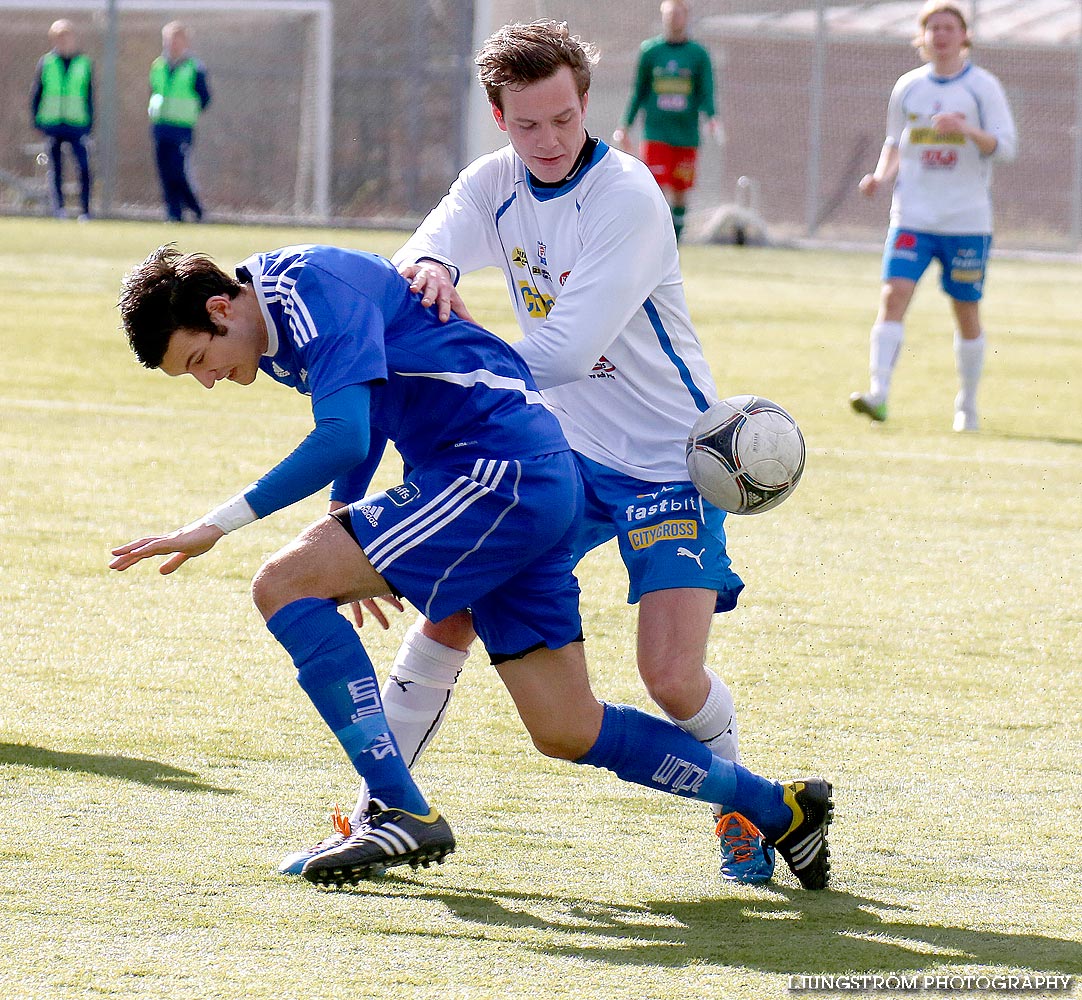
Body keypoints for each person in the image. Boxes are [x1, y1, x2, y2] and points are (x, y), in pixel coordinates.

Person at [108, 243, 834, 892]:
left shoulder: (310, 286)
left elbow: (341, 433)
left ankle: (396, 808)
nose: (207, 380)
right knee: (566, 727)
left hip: (494, 473)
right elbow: (359, 415)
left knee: (281, 583)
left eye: (199, 360)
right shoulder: (275, 326)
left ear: (219, 307)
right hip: (529, 478)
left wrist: (214, 525)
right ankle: (780, 808)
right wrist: (343, 519)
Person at [316, 19, 777, 888]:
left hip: (670, 461)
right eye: (528, 125)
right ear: (499, 118)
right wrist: (433, 272)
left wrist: (453, 357)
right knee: (447, 607)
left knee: (672, 678)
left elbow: (563, 350)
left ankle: (747, 811)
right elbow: (413, 260)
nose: (550, 140)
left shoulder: (628, 197)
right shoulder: (494, 183)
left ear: (586, 104)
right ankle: (384, 808)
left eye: (564, 119)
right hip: (562, 457)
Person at [850, 0, 1016, 432]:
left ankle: (967, 404)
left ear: (964, 37)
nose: (940, 35)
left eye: (949, 27)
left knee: (966, 311)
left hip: (966, 221)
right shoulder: (908, 86)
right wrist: (879, 177)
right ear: (922, 38)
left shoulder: (982, 87)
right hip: (912, 217)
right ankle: (878, 394)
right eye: (933, 28)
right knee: (893, 295)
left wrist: (966, 130)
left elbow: (1006, 147)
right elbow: (894, 142)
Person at [612, 0, 720, 242]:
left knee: (681, 191)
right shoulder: (650, 51)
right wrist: (624, 124)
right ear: (663, 17)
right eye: (670, 14)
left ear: (687, 16)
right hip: (656, 133)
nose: (674, 19)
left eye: (679, 14)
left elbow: (706, 91)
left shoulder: (698, 54)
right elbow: (638, 91)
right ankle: (653, 241)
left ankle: (676, 243)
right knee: (654, 188)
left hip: (686, 135)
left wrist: (712, 117)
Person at [30, 19, 94, 220]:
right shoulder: (46, 62)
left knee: (83, 167)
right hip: (52, 123)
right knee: (55, 168)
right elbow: (37, 93)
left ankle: (85, 210)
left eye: (66, 37)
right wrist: (37, 121)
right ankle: (59, 209)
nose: (63, 41)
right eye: (59, 38)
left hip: (77, 123)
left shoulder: (84, 63)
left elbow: (90, 96)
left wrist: (89, 124)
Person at [149, 21, 211, 222]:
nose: (172, 44)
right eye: (168, 40)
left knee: (179, 170)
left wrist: (188, 111)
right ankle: (173, 213)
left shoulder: (194, 67)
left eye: (176, 40)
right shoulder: (158, 65)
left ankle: (196, 209)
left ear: (185, 42)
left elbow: (205, 97)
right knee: (165, 171)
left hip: (182, 127)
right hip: (161, 125)